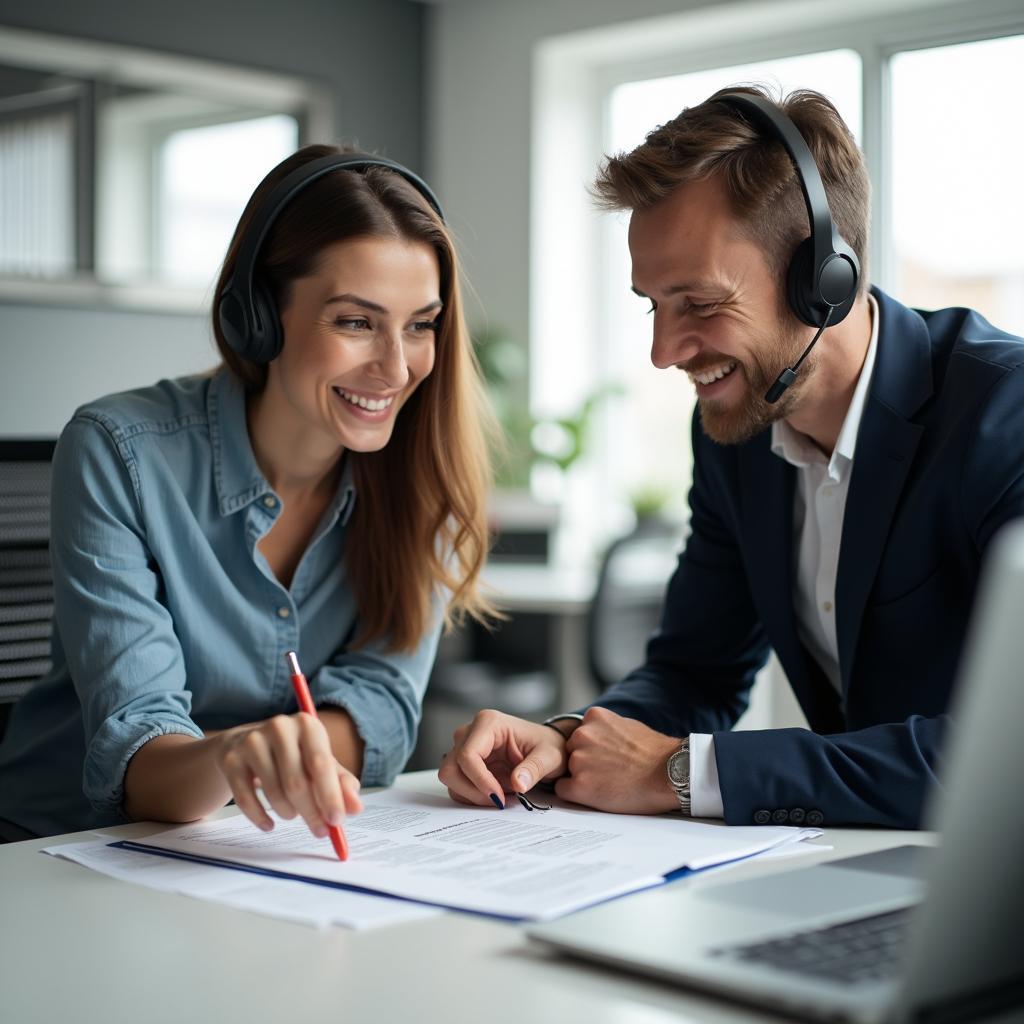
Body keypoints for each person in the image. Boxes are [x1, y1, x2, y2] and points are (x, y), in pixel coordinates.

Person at [439, 85, 1024, 829]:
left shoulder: (1005, 416)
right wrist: (564, 743)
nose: (662, 353)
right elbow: (696, 670)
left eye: (701, 305)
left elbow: (1008, 756)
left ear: (824, 281)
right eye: (654, 304)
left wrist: (687, 773)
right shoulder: (737, 433)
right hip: (862, 866)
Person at [0, 145, 495, 841]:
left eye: (421, 324)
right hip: (61, 848)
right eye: (355, 322)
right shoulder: (118, 452)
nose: (396, 367)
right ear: (259, 315)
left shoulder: (425, 481)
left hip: (266, 850)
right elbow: (139, 765)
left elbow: (381, 710)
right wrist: (243, 754)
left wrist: (280, 756)